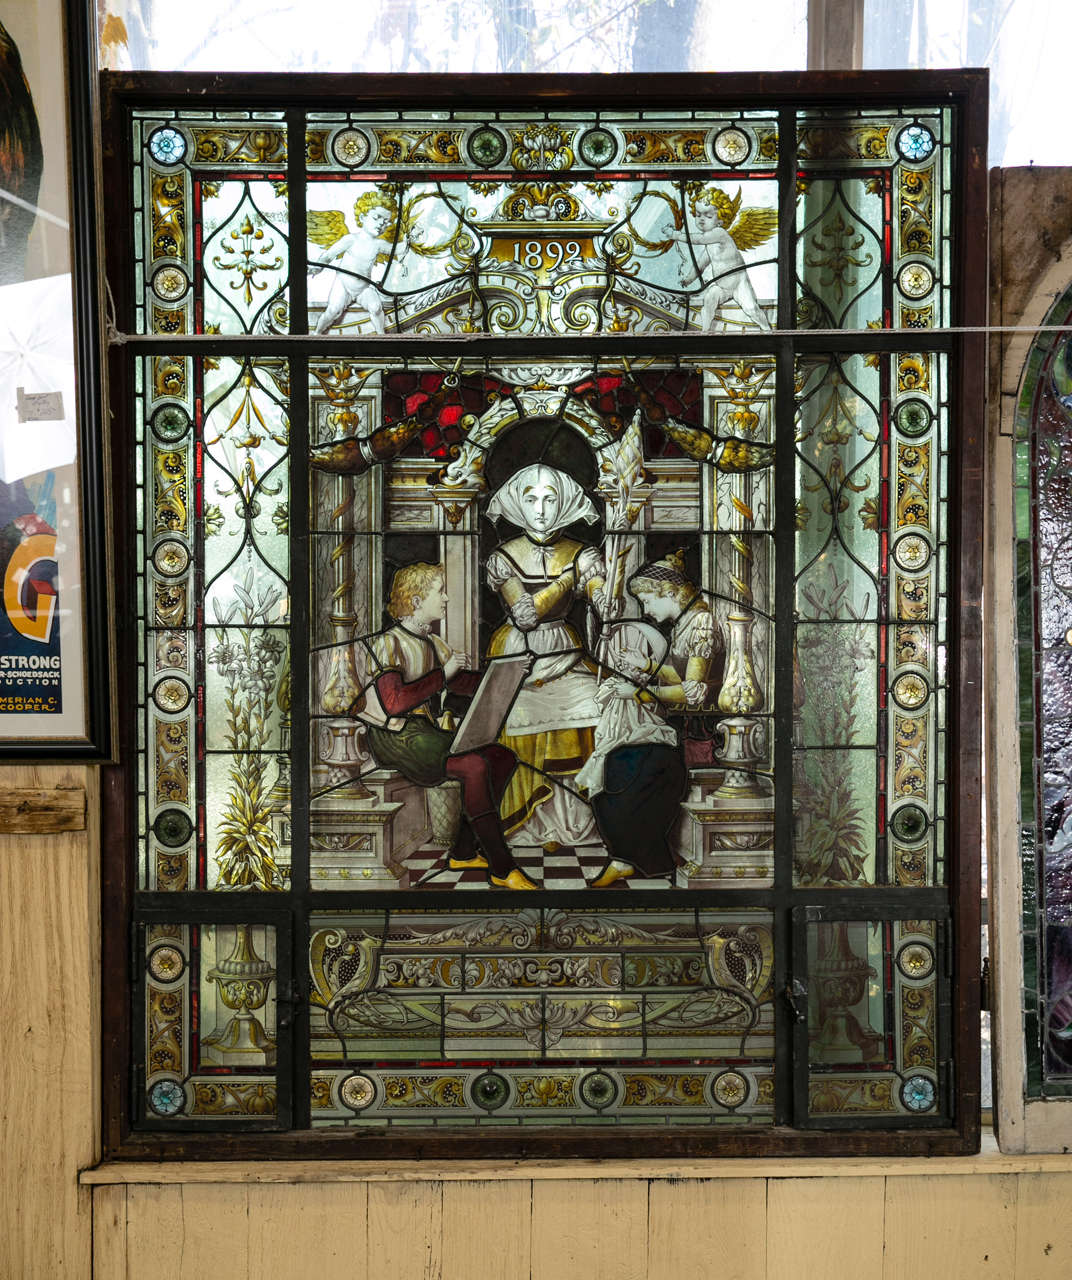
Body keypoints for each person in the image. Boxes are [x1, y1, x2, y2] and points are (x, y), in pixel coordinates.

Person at [349, 561, 537, 890]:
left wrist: (510, 673)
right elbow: (396, 703)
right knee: (475, 765)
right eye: (440, 592)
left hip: (424, 733)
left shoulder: (434, 643)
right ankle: (502, 867)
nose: (446, 598)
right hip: (396, 736)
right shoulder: (389, 643)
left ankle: (464, 852)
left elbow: (463, 683)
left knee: (502, 757)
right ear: (417, 600)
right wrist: (444, 674)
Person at [485, 462, 613, 850]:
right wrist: (571, 577)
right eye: (530, 499)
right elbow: (524, 615)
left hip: (565, 652)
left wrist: (605, 592)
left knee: (599, 706)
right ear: (517, 505)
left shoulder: (583, 553)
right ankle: (526, 822)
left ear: (565, 504)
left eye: (550, 499)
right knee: (517, 716)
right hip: (519, 654)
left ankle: (574, 822)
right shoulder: (504, 556)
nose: (540, 508)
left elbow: (602, 599)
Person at [575, 619, 687, 887]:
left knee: (626, 787)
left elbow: (671, 698)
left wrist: (637, 691)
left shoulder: (655, 680)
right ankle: (622, 859)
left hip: (653, 743)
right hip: (617, 743)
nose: (625, 663)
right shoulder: (616, 682)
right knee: (602, 789)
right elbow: (599, 702)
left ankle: (641, 861)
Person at [661, 188, 772, 332]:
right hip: (722, 287)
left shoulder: (720, 234)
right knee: (709, 300)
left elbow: (699, 239)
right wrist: (688, 279)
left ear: (720, 221)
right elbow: (700, 265)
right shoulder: (710, 244)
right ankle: (705, 332)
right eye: (698, 214)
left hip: (739, 284)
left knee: (751, 309)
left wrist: (676, 235)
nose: (701, 219)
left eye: (708, 216)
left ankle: (767, 330)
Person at [627, 550, 723, 709]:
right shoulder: (679, 626)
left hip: (705, 719)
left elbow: (692, 692)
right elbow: (680, 677)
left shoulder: (701, 622)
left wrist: (638, 693)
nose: (645, 610)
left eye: (647, 601)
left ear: (670, 593)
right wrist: (644, 663)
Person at [308, 192, 395, 334]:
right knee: (333, 310)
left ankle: (381, 335)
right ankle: (317, 333)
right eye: (376, 217)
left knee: (376, 307)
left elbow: (397, 250)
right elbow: (329, 255)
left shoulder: (379, 244)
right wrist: (317, 268)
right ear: (362, 217)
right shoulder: (351, 239)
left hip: (363, 287)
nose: (381, 223)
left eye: (385, 221)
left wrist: (410, 239)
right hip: (343, 284)